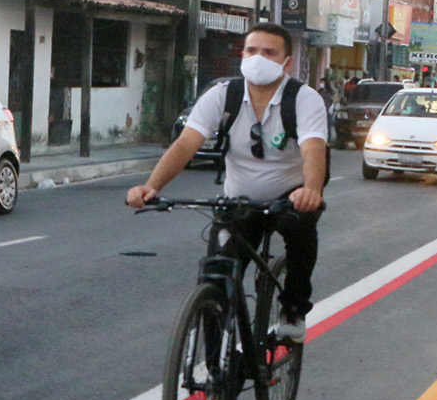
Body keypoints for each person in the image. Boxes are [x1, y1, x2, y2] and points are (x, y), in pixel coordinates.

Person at [126, 22, 328, 339]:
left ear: (286, 62)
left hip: (290, 195)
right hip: (239, 198)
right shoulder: (222, 96)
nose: (258, 57)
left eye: (269, 52)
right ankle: (218, 364)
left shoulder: (304, 99)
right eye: (251, 50)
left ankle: (293, 310)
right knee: (217, 271)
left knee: (301, 229)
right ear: (242, 55)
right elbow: (185, 145)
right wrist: (152, 186)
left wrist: (311, 190)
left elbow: (314, 149)